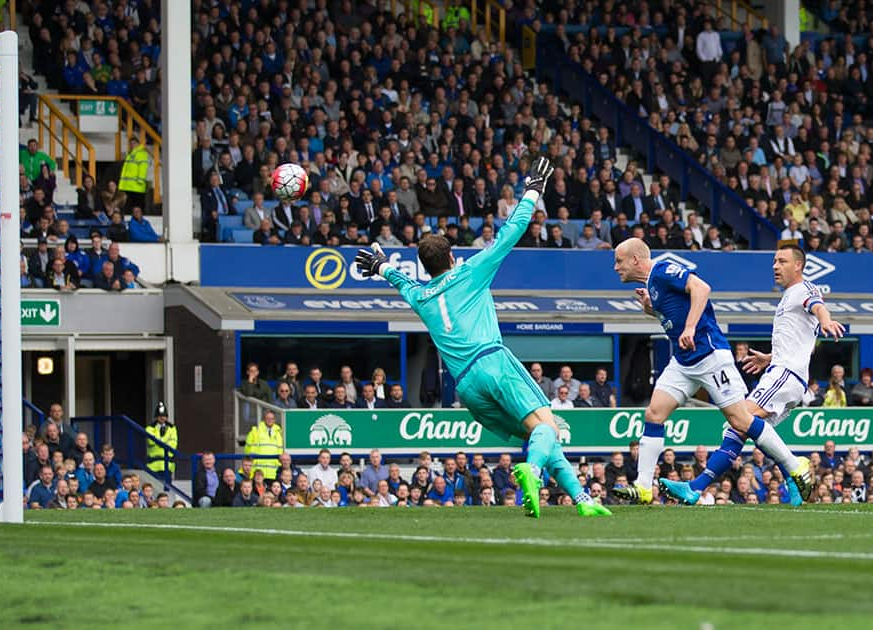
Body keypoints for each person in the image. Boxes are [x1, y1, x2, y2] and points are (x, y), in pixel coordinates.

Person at [355, 156, 609, 518]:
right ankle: (532, 472)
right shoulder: (470, 272)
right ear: (453, 256)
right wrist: (533, 191)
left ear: (426, 266)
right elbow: (512, 229)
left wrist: (381, 265)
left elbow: (401, 280)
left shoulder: (421, 295)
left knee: (539, 433)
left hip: (468, 389)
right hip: (492, 361)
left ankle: (582, 501)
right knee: (548, 425)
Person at [611, 239, 816, 506]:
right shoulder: (652, 284)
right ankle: (643, 487)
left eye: (619, 261)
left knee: (741, 421)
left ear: (636, 260)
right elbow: (676, 312)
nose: (616, 267)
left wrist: (690, 328)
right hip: (684, 361)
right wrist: (652, 309)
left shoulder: (662, 270)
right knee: (654, 413)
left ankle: (794, 465)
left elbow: (701, 288)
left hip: (709, 355)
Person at [659, 245, 844, 506]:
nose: (775, 266)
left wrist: (825, 320)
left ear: (798, 266)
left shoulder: (805, 289)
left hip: (785, 376)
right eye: (774, 262)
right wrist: (770, 357)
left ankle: (795, 467)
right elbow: (798, 340)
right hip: (784, 373)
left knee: (738, 419)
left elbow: (817, 306)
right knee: (741, 429)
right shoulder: (788, 296)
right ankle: (696, 488)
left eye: (782, 261)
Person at [244, 410, 284, 480]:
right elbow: (247, 450)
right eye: (267, 418)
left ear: (274, 420)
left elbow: (280, 452)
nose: (269, 420)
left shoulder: (278, 433)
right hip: (258, 472)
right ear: (264, 419)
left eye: (272, 419)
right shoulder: (255, 431)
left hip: (273, 472)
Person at [145, 402, 178, 479]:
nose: (162, 418)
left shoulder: (172, 428)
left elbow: (173, 444)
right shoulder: (150, 428)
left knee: (166, 488)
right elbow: (151, 441)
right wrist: (165, 441)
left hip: (168, 464)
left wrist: (159, 440)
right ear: (156, 417)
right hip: (153, 464)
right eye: (160, 416)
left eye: (164, 416)